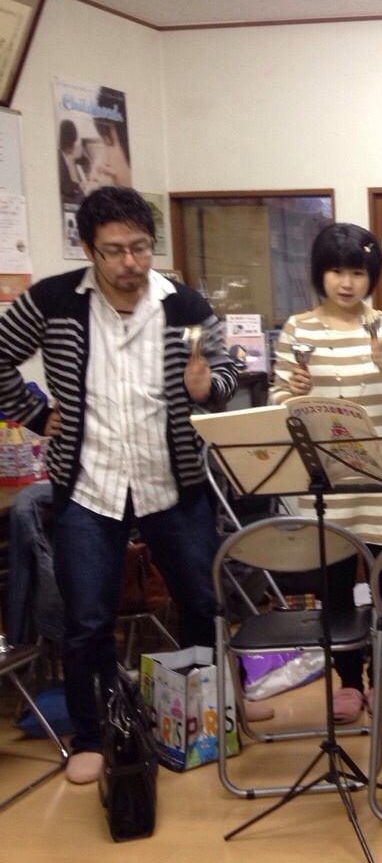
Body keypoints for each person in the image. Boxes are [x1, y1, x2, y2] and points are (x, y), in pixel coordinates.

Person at [0, 186, 238, 785]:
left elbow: (229, 370)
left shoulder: (183, 304)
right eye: (115, 250)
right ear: (89, 249)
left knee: (202, 602)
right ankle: (92, 734)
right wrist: (35, 415)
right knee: (87, 618)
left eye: (140, 247)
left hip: (171, 480)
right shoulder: (54, 300)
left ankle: (210, 711)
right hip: (90, 483)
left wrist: (208, 386)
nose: (131, 261)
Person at [271, 222, 382, 724]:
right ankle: (348, 681)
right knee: (333, 583)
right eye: (336, 271)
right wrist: (292, 390)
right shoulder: (298, 329)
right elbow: (278, 403)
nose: (347, 282)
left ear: (371, 275)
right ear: (320, 273)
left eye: (358, 271)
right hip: (328, 476)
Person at [58, 120, 87, 205]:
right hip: (66, 201)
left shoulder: (59, 155)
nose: (75, 145)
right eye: (74, 142)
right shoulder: (61, 164)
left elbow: (65, 184)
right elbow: (67, 190)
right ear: (70, 144)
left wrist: (78, 185)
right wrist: (80, 187)